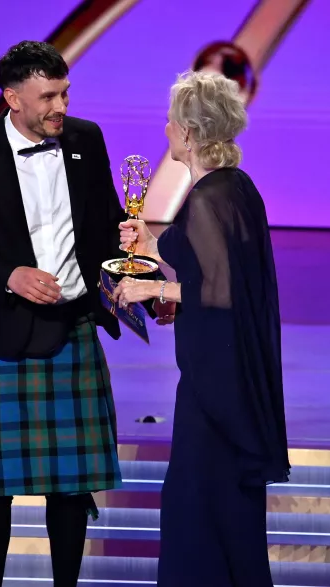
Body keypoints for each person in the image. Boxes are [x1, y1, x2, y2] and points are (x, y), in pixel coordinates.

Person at [0, 40, 128, 587]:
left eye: (64, 92)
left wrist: (129, 251)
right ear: (11, 98)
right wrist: (9, 276)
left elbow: (106, 221)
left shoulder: (85, 140)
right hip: (1, 335)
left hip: (73, 328)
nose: (59, 106)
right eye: (48, 96)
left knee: (71, 487)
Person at [114, 70, 290, 587]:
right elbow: (210, 272)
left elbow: (221, 293)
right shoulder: (231, 187)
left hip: (217, 394)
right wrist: (150, 248)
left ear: (189, 133)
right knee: (216, 510)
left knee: (198, 507)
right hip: (222, 381)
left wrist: (153, 290)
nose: (165, 127)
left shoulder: (212, 197)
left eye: (171, 120)